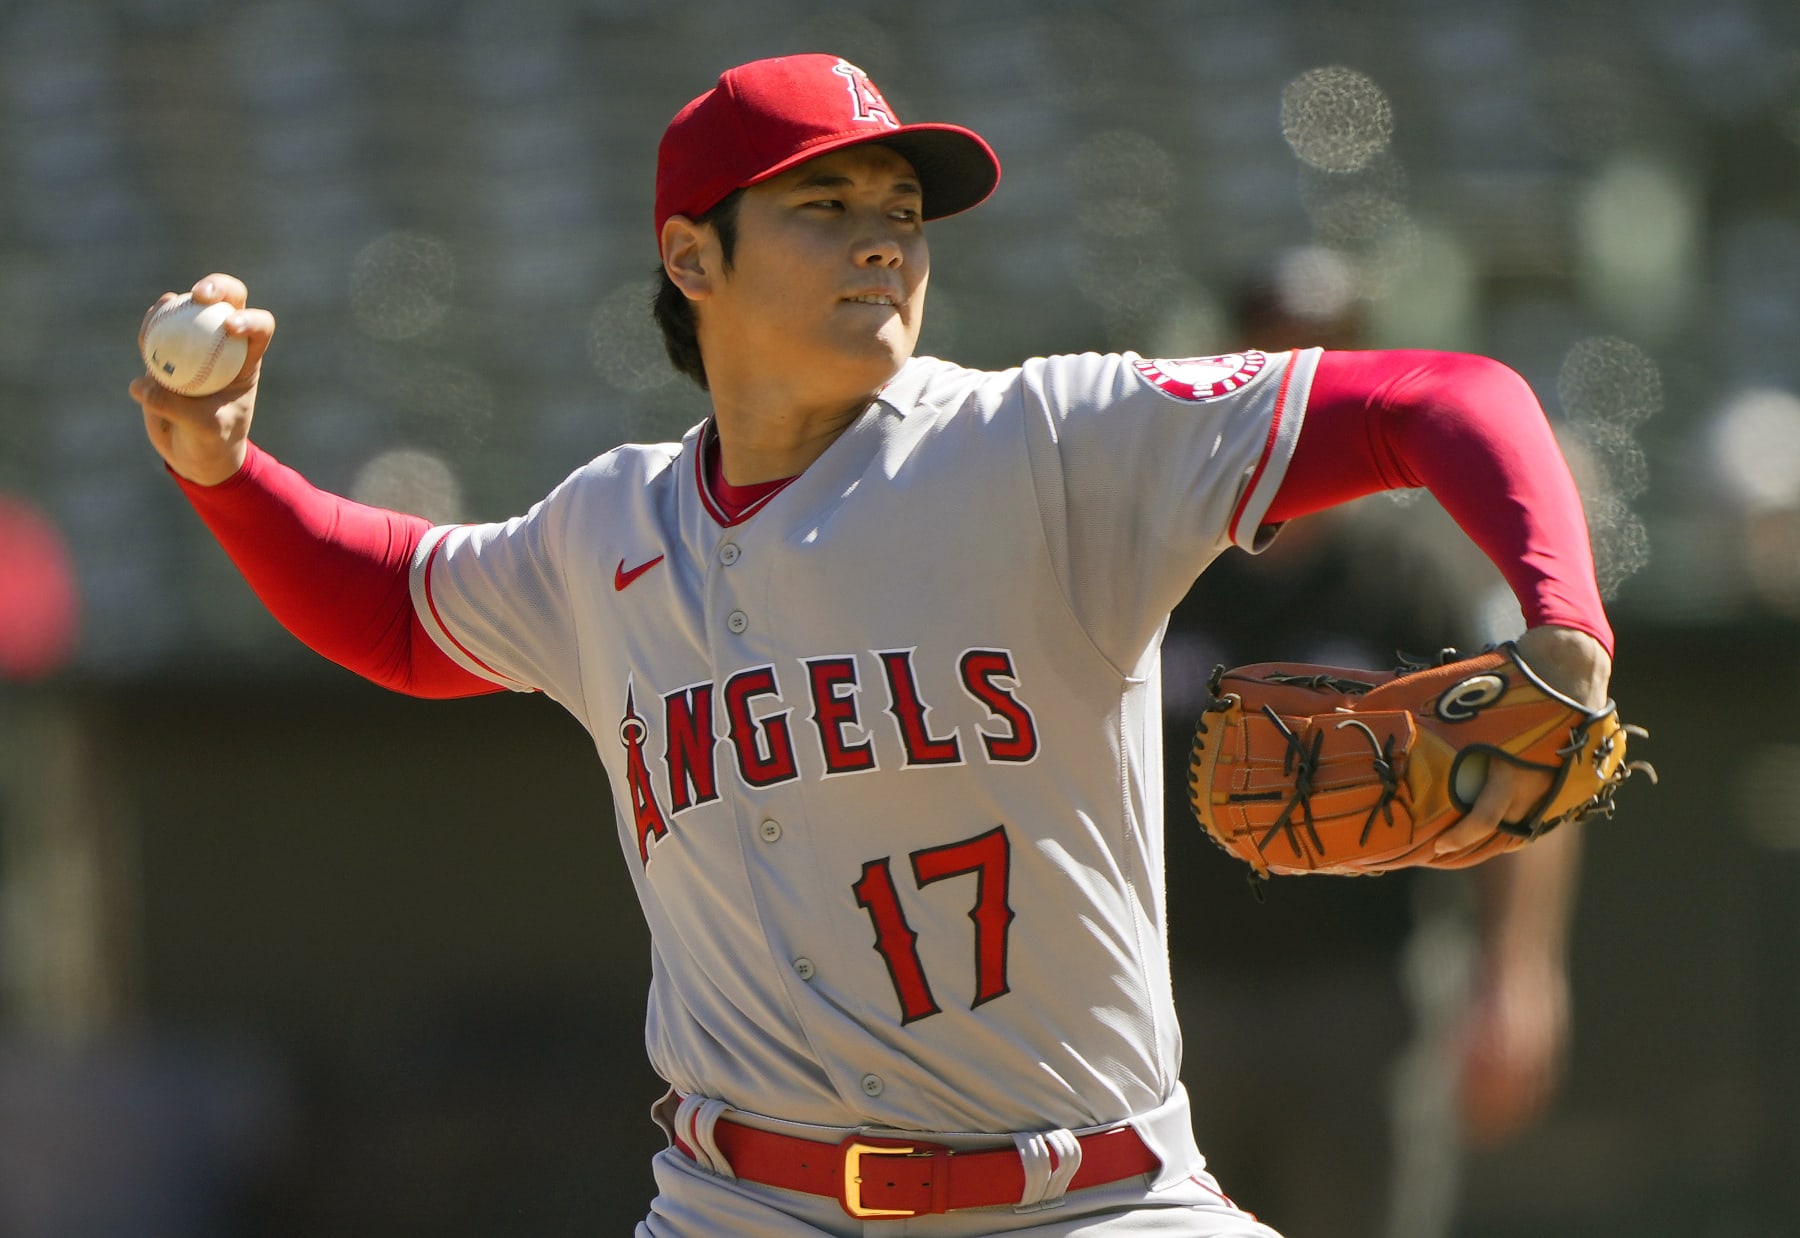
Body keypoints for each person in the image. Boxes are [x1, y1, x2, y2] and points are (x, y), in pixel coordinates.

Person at [128, 53, 1614, 1237]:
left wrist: (1568, 619)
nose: (882, 243)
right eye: (822, 206)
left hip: (1085, 1195)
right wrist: (222, 471)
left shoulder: (1047, 443)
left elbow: (1441, 394)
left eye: (899, 209)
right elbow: (394, 607)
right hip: (739, 1202)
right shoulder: (608, 530)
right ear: (689, 256)